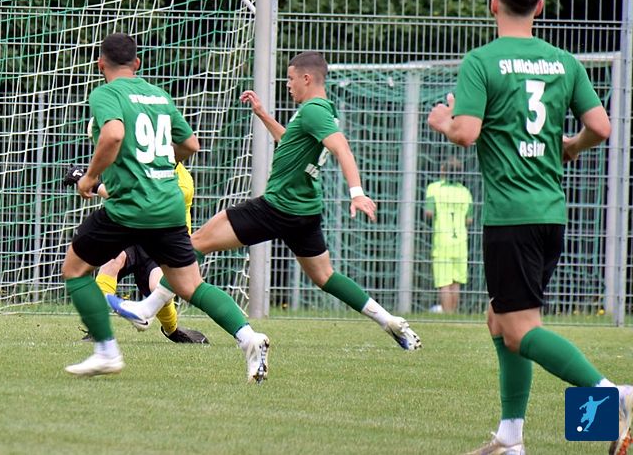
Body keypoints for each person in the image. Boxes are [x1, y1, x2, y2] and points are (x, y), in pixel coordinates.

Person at [427, 0, 631, 455]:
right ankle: (510, 438)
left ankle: (615, 396)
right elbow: (601, 127)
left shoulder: (483, 61)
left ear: (493, 3)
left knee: (520, 331)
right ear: (539, 6)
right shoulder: (563, 62)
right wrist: (570, 147)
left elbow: (466, 132)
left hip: (511, 217)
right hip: (549, 213)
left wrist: (442, 120)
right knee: (499, 319)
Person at [108, 50, 422, 352]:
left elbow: (341, 148)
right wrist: (262, 115)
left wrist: (357, 193)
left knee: (196, 243)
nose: (288, 84)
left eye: (291, 78)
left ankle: (148, 309)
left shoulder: (313, 110)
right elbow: (291, 143)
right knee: (325, 276)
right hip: (305, 210)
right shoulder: (324, 111)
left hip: (277, 207)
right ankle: (389, 320)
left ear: (307, 78)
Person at [62, 32, 269, 382]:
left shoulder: (105, 93)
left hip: (131, 206)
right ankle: (249, 338)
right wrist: (158, 165)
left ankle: (106, 351)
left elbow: (113, 134)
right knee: (190, 285)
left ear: (100, 63)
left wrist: (90, 177)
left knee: (75, 269)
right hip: (168, 205)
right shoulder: (159, 95)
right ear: (137, 63)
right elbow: (190, 144)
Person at [63, 163, 209, 344]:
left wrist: (91, 182)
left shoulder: (183, 182)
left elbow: (135, 204)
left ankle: (172, 329)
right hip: (133, 237)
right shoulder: (143, 165)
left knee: (157, 286)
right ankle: (96, 330)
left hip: (162, 244)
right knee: (112, 262)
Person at [423, 156, 473, 313]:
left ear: (443, 170)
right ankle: (452, 314)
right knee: (456, 282)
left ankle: (447, 313)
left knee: (444, 282)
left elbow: (429, 212)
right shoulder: (465, 192)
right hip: (460, 241)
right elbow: (469, 219)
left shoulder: (434, 188)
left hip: (442, 240)